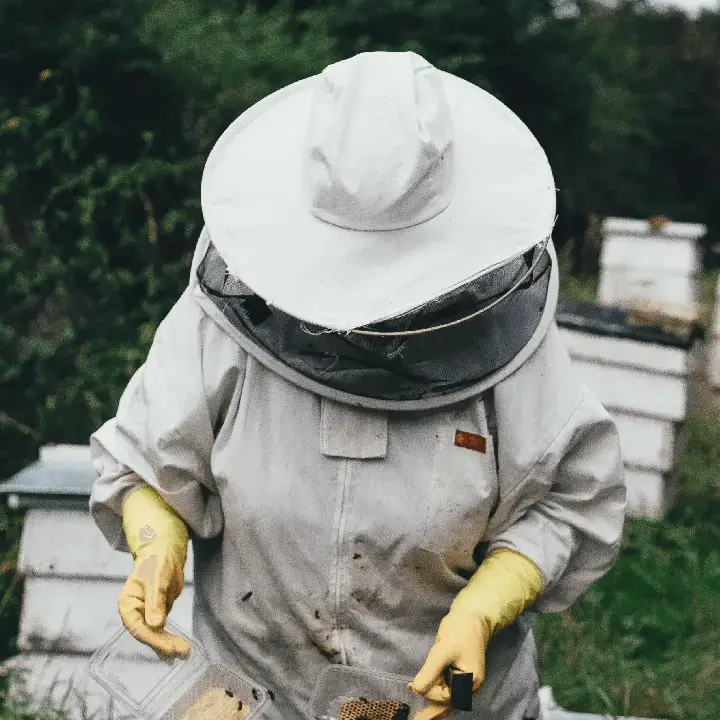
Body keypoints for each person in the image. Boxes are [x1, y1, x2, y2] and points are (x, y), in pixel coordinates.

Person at [89, 51, 626, 720]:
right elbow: (145, 460)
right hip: (252, 699)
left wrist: (485, 608)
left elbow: (567, 501)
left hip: (448, 707)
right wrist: (156, 544)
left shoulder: (511, 350)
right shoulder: (219, 331)